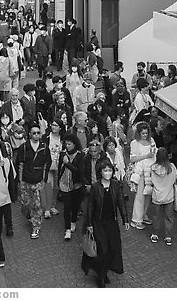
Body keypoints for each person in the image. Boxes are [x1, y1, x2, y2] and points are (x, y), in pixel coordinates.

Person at [82, 160, 130, 288]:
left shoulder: (116, 185)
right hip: (98, 223)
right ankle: (101, 277)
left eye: (109, 170)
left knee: (113, 249)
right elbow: (90, 206)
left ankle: (102, 270)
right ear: (100, 172)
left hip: (112, 223)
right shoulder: (96, 187)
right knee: (103, 250)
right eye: (105, 171)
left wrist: (125, 220)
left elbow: (121, 203)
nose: (107, 173)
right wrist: (90, 224)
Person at [16, 123, 52, 239]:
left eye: (38, 133)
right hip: (26, 180)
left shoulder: (44, 147)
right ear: (30, 134)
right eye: (34, 133)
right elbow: (19, 163)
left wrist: (43, 178)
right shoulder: (24, 148)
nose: (36, 135)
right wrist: (20, 180)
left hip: (38, 181)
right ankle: (30, 216)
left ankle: (36, 226)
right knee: (25, 204)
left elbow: (47, 163)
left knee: (37, 205)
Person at [58, 134, 86, 241]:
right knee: (67, 207)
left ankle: (73, 220)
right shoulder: (63, 154)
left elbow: (79, 171)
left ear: (75, 144)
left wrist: (68, 164)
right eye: (66, 144)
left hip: (76, 184)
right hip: (64, 183)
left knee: (75, 205)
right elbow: (60, 168)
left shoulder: (80, 156)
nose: (67, 146)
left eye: (69, 144)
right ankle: (67, 229)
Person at [129, 121, 157, 230]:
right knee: (140, 195)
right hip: (140, 172)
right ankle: (136, 219)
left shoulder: (152, 141)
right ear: (139, 133)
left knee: (148, 194)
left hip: (150, 171)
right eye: (143, 133)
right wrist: (146, 156)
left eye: (146, 133)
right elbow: (132, 158)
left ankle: (144, 214)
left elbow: (154, 152)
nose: (145, 135)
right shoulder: (134, 143)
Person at [149, 147, 177, 246]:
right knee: (169, 217)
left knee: (156, 216)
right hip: (169, 195)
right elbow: (174, 179)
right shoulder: (172, 167)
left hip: (157, 196)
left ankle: (155, 234)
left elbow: (151, 181)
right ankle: (168, 236)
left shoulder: (153, 168)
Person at [41, 117, 63, 220]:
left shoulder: (63, 138)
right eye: (52, 125)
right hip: (48, 165)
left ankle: (53, 206)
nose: (53, 127)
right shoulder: (46, 137)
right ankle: (47, 209)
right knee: (48, 185)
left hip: (59, 165)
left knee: (56, 187)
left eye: (56, 125)